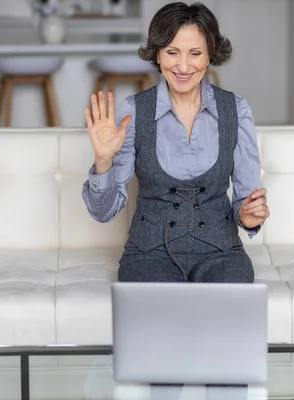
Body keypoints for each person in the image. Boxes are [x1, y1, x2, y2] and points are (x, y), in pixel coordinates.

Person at [82, 1, 270, 283]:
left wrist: (248, 215)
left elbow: (247, 202)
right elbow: (104, 212)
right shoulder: (133, 111)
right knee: (160, 308)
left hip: (222, 252)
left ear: (209, 56)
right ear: (157, 54)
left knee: (229, 302)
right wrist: (103, 161)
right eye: (172, 52)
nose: (183, 66)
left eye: (195, 53)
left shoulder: (236, 110)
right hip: (149, 253)